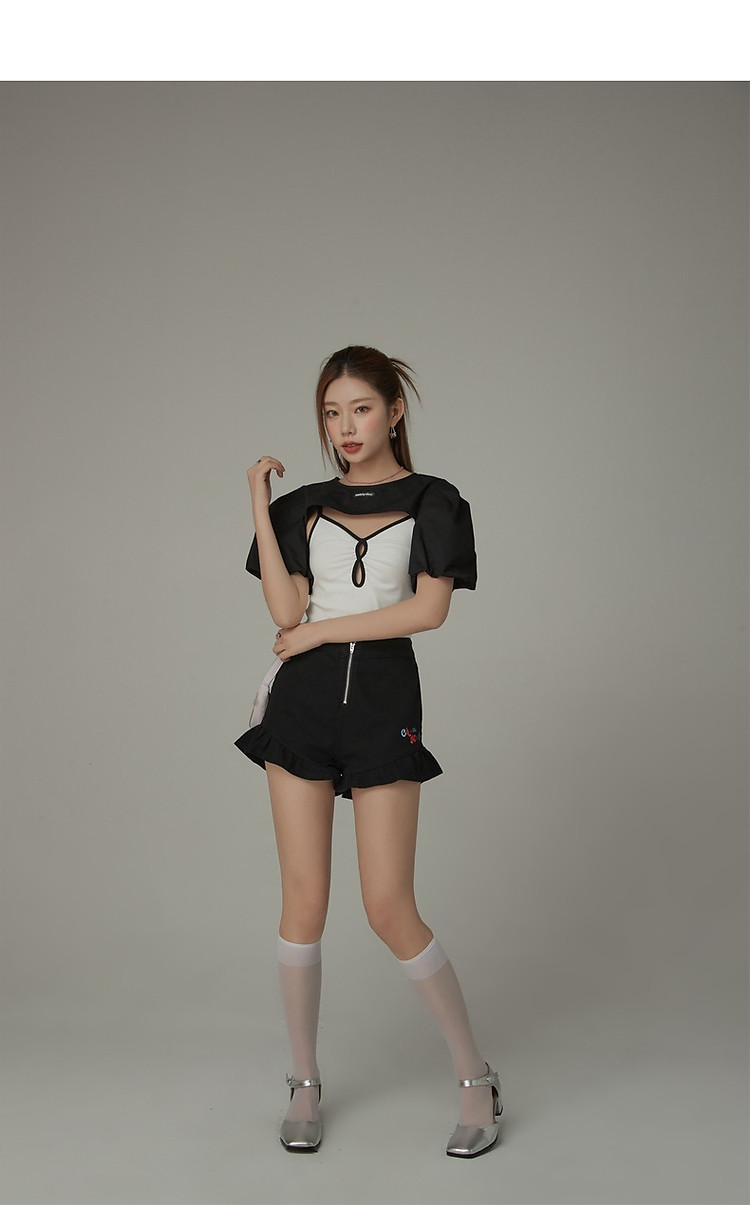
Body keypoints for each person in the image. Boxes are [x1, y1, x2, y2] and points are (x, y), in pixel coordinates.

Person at [234, 345, 502, 1158]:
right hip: (302, 707)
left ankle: (476, 1079)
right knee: (302, 903)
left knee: (388, 905)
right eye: (331, 412)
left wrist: (322, 631)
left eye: (359, 408)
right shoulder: (304, 506)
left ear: (393, 410)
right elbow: (285, 611)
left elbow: (427, 612)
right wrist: (259, 504)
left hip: (384, 706)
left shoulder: (434, 500)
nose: (345, 426)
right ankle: (304, 1081)